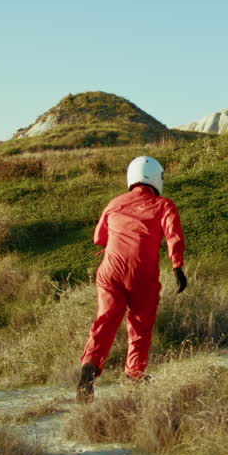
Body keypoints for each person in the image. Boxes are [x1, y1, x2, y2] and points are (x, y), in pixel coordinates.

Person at [77, 155, 187, 403]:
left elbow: (98, 237)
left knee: (106, 319)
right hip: (141, 272)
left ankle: (89, 366)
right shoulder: (164, 204)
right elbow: (174, 236)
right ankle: (134, 374)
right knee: (140, 323)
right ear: (157, 178)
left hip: (109, 270)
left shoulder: (114, 203)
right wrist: (177, 266)